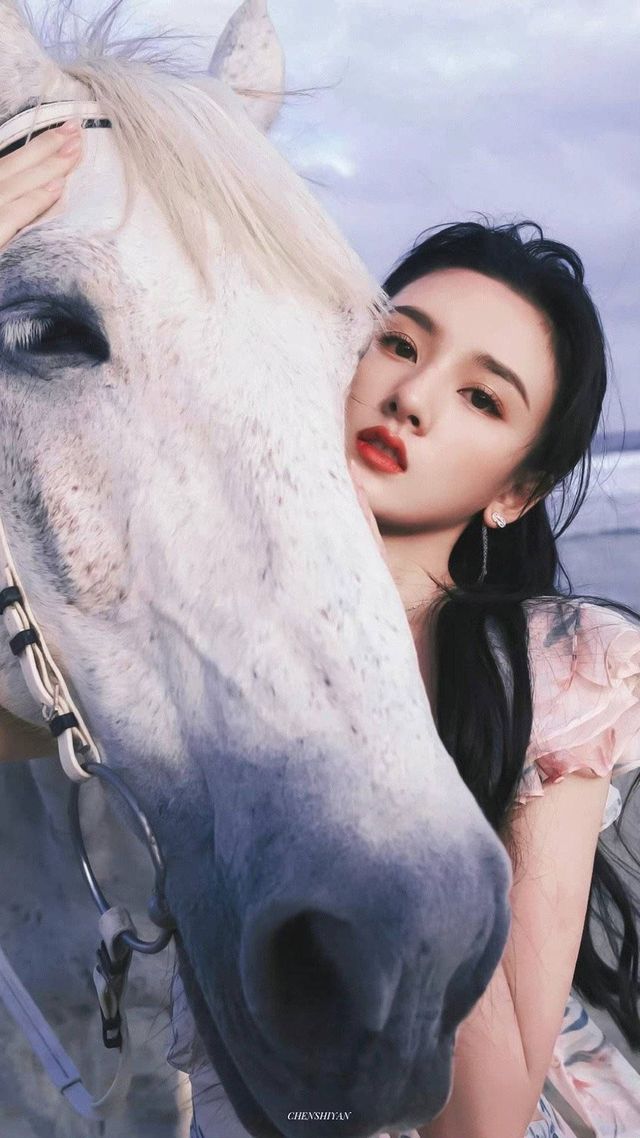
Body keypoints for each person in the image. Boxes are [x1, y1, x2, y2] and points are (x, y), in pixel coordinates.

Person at [1, 135, 639, 1138]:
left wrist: (376, 704)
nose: (413, 399)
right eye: (399, 344)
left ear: (515, 493)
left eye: (481, 398)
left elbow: (483, 1120)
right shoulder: (190, 617)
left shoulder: (560, 666)